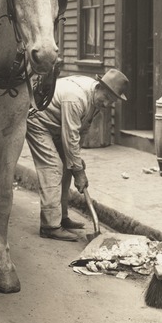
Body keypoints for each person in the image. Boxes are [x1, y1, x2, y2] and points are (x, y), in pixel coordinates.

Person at [25, 69, 129, 241]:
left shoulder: (95, 100)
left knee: (68, 165)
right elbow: (70, 136)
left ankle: (62, 217)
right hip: (38, 122)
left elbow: (82, 130)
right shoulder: (76, 98)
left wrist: (76, 165)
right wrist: (78, 171)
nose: (107, 104)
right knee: (53, 166)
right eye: (107, 98)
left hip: (59, 125)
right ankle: (50, 226)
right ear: (99, 87)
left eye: (112, 101)